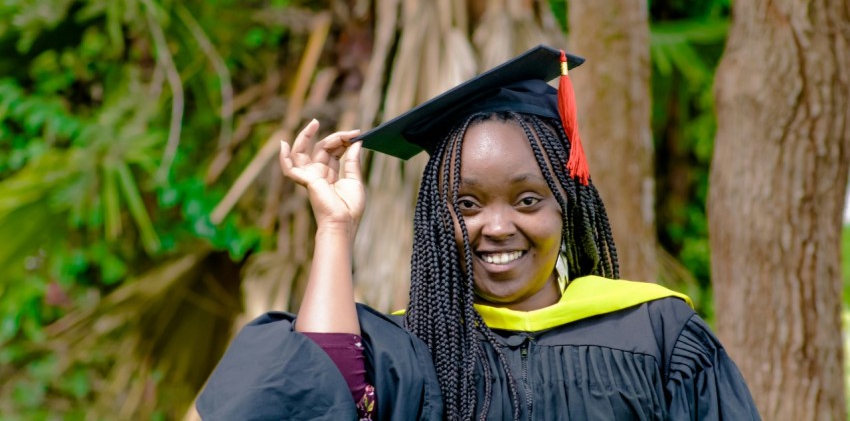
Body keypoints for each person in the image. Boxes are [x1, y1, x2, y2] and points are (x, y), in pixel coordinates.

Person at [197, 45, 760, 420]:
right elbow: (309, 396)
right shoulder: (408, 352)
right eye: (466, 204)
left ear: (568, 205)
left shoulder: (657, 334)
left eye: (528, 200)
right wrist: (334, 229)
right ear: (437, 217)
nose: (496, 226)